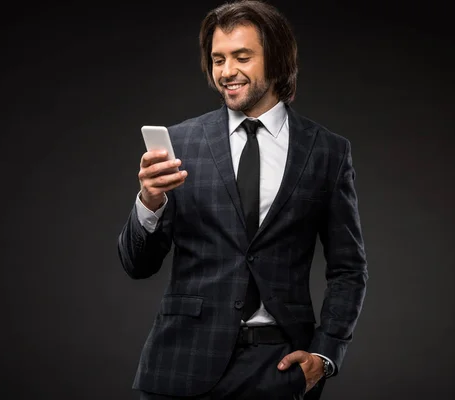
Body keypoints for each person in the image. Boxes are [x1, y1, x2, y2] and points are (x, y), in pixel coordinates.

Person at [117, 1, 368, 399]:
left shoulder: (327, 152)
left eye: (242, 56)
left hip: (281, 367)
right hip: (181, 363)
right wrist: (149, 202)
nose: (226, 71)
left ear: (278, 59)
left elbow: (348, 269)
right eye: (218, 59)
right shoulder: (180, 143)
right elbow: (137, 264)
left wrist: (326, 354)